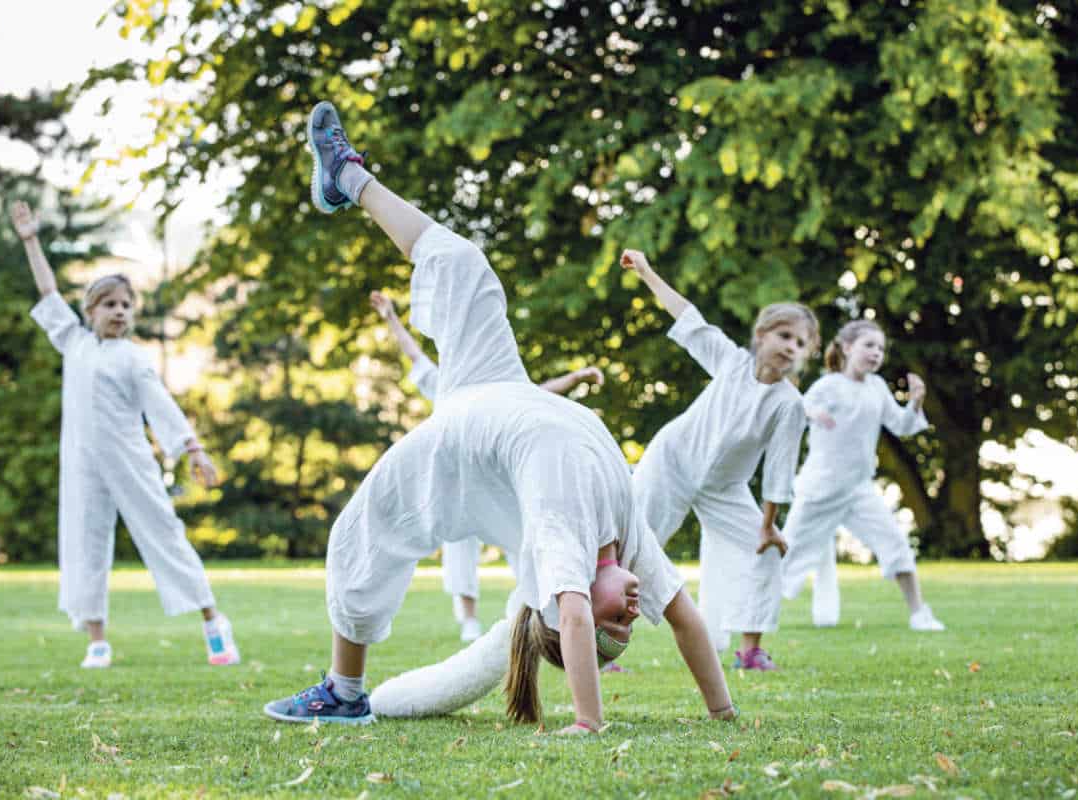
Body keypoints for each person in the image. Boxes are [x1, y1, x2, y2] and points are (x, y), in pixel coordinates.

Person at [262, 100, 734, 732]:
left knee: (361, 534)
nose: (631, 611)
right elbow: (685, 619)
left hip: (458, 442)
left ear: (560, 602)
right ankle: (346, 177)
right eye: (629, 624)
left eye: (613, 622)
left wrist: (588, 723)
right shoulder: (629, 542)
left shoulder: (563, 545)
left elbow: (573, 615)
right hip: (496, 386)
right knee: (463, 263)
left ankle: (342, 691)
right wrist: (722, 710)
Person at [11, 201, 240, 669]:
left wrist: (193, 450)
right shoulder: (73, 343)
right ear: (90, 311)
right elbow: (48, 291)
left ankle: (213, 622)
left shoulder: (134, 358)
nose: (119, 312)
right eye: (109, 304)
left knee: (165, 535)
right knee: (84, 544)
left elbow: (162, 407)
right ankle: (97, 640)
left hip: (131, 462)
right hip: (82, 463)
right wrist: (31, 240)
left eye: (126, 305)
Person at [621, 249, 816, 671]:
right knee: (634, 548)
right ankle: (603, 644)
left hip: (724, 487)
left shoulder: (789, 405)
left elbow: (779, 471)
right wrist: (647, 272)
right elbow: (688, 319)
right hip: (671, 464)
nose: (791, 347)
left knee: (766, 551)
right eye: (785, 336)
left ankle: (750, 651)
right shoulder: (731, 361)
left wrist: (767, 525)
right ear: (761, 336)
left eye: (801, 344)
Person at [370, 290, 604, 642]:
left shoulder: (501, 390)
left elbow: (539, 393)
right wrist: (390, 316)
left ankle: (541, 612)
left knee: (526, 543)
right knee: (460, 546)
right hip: (459, 485)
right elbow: (414, 354)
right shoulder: (447, 387)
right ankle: (469, 620)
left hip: (499, 485)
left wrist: (574, 379)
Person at [780, 319, 945, 631]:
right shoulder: (828, 385)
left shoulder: (877, 387)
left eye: (880, 348)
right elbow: (797, 408)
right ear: (847, 347)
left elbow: (902, 425)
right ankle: (749, 615)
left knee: (896, 544)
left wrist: (915, 402)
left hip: (859, 490)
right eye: (869, 345)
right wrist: (811, 412)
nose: (876, 353)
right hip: (820, 489)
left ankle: (920, 614)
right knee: (786, 556)